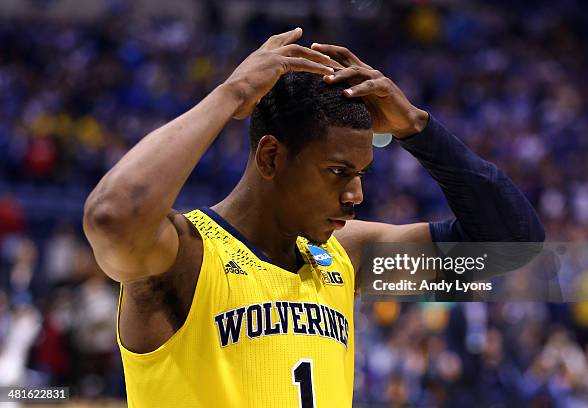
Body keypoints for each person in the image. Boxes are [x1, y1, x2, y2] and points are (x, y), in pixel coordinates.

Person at [83, 28, 544, 407]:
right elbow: (111, 216)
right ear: (270, 157)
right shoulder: (185, 257)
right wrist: (232, 94)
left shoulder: (345, 255)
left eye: (361, 173)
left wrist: (416, 127)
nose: (355, 195)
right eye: (338, 173)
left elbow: (511, 248)